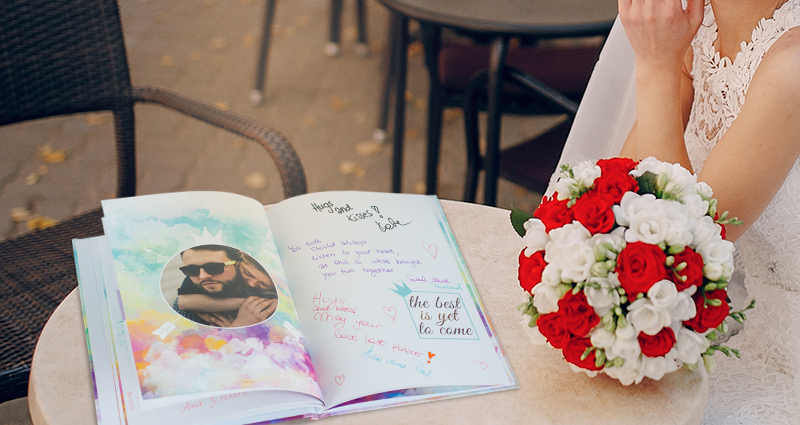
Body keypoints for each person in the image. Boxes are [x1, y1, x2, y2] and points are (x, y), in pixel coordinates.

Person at [560, 0, 800, 422]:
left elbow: (679, 249)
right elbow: (619, 199)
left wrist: (655, 67)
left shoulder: (792, 68)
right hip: (722, 328)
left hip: (783, 362)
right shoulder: (700, 26)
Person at [174, 245, 277, 328]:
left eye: (214, 267)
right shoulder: (185, 310)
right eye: (191, 270)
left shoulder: (266, 291)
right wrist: (239, 326)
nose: (203, 276)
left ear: (237, 264)